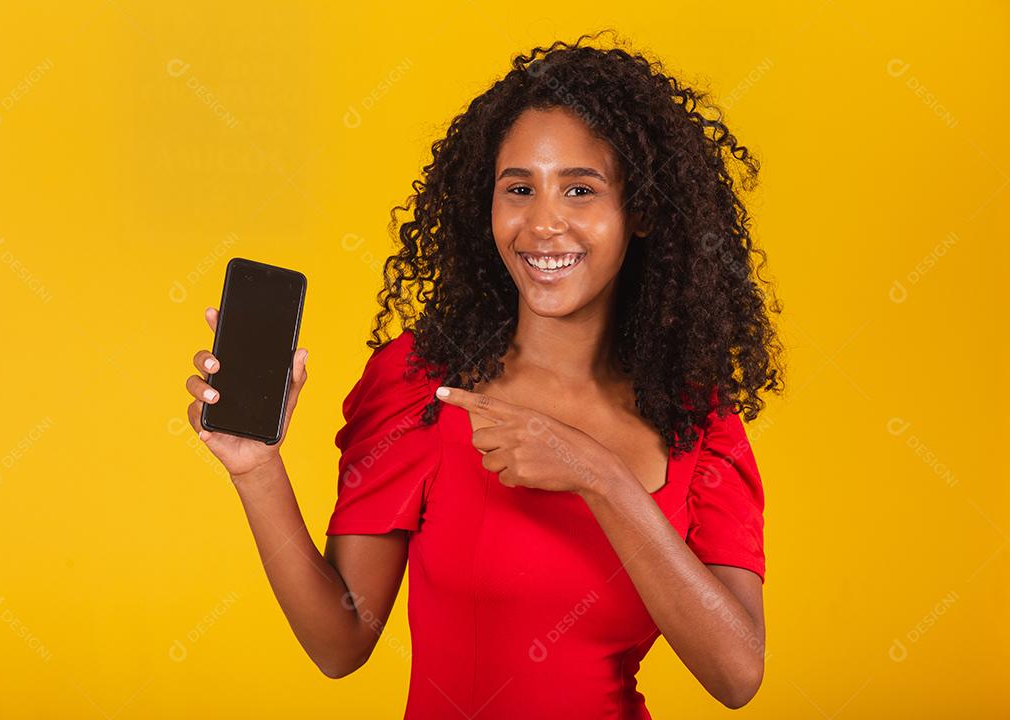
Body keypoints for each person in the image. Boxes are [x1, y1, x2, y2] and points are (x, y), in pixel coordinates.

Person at [185, 31, 785, 719]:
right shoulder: (424, 388)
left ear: (640, 213)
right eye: (518, 188)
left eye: (581, 189)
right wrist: (256, 470)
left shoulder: (696, 420)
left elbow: (737, 675)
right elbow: (340, 642)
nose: (542, 223)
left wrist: (600, 475)